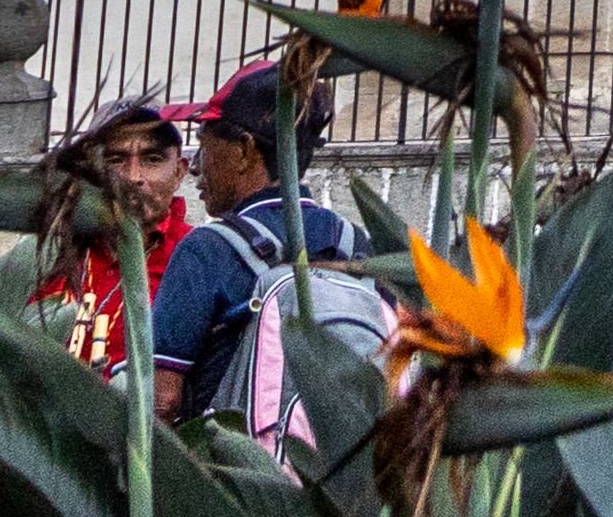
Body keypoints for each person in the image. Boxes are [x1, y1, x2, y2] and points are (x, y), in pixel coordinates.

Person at [146, 58, 377, 433]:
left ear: (244, 150)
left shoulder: (207, 249)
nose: (195, 166)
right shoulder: (358, 246)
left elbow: (161, 400)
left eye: (204, 145)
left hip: (235, 478)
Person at [35, 95, 193, 369]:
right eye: (116, 159)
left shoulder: (196, 256)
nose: (133, 176)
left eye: (152, 159)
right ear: (88, 170)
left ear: (179, 172)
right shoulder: (49, 251)